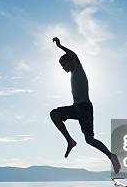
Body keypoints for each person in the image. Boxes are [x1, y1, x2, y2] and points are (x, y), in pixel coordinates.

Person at [50, 37, 121, 174]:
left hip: (85, 108)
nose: (63, 68)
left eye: (64, 65)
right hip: (76, 107)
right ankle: (70, 141)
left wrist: (60, 46)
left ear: (71, 62)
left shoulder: (78, 70)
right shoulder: (72, 75)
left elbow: (74, 55)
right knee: (54, 114)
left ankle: (111, 156)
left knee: (89, 140)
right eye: (61, 66)